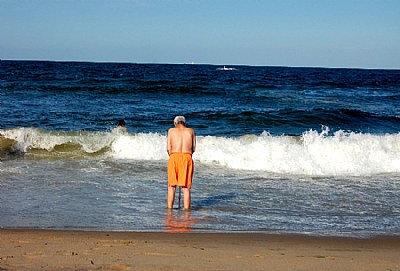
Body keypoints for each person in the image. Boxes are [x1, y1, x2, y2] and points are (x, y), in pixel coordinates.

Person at [167, 116, 196, 209]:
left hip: (174, 156)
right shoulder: (191, 131)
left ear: (175, 123)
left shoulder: (171, 131)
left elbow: (168, 149)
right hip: (187, 157)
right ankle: (187, 211)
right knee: (186, 188)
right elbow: (194, 148)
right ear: (184, 123)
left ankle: (169, 210)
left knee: (171, 186)